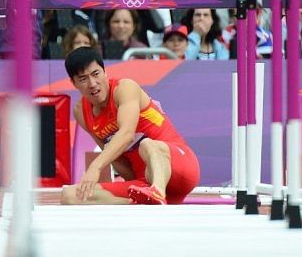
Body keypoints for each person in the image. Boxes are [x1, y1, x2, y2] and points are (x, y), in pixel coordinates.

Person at [60, 47, 200, 205]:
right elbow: (117, 159)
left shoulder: (125, 88)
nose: (92, 83)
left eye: (96, 74)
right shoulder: (81, 112)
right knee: (69, 195)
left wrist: (96, 166)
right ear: (74, 83)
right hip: (144, 181)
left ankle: (157, 192)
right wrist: (132, 185)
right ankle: (141, 200)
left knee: (147, 145)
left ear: (105, 72)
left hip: (180, 168)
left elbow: (126, 134)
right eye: (83, 79)